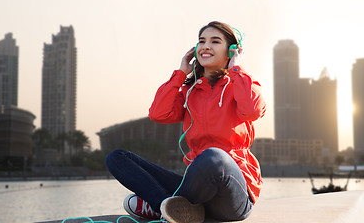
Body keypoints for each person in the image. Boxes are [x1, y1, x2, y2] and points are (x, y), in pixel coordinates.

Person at [106, 21, 266, 223]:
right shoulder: (189, 91)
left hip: (232, 194)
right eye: (202, 41)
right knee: (117, 157)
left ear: (231, 51)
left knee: (214, 156)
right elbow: (158, 114)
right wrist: (181, 73)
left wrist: (237, 69)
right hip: (197, 189)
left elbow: (252, 110)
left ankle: (162, 207)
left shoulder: (241, 84)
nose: (206, 46)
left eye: (215, 41)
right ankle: (167, 206)